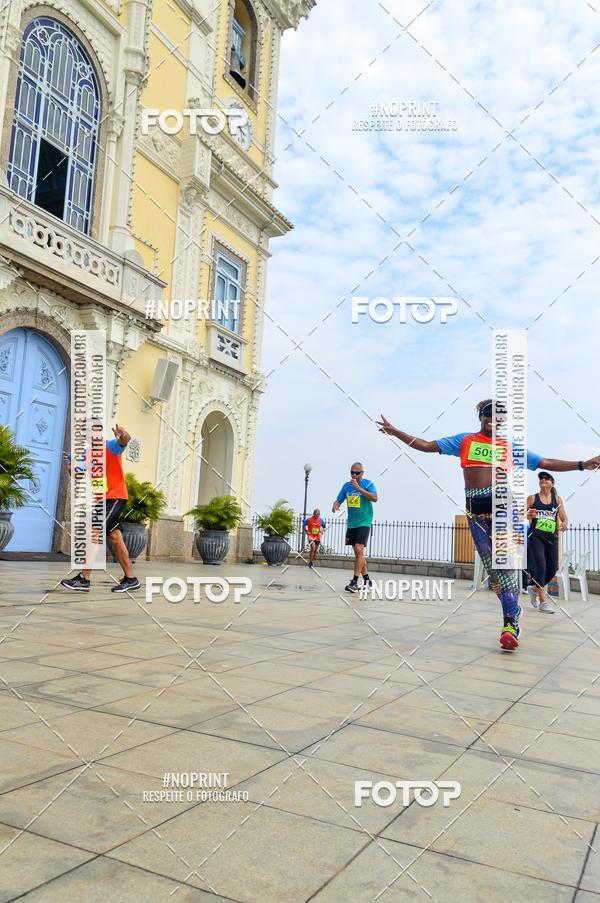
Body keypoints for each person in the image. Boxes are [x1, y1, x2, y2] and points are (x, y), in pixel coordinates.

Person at [377, 401, 600, 651]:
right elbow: (427, 446)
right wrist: (396, 432)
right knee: (494, 575)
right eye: (488, 416)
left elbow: (545, 462)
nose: (493, 421)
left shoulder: (509, 448)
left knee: (503, 568)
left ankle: (509, 626)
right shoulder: (465, 441)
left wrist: (582, 464)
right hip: (476, 515)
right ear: (481, 417)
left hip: (502, 509)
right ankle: (513, 609)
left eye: (499, 417)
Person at [61, 424, 141, 593]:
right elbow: (78, 475)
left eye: (95, 430)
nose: (92, 434)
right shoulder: (87, 454)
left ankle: (84, 578)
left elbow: (125, 440)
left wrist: (123, 434)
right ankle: (131, 578)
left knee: (93, 533)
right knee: (115, 538)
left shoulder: (110, 446)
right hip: (102, 500)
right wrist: (69, 467)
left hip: (115, 497)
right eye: (88, 431)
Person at [525, 471, 567, 614]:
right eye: (541, 478)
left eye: (546, 478)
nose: (543, 480)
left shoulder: (557, 499)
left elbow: (564, 517)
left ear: (552, 483)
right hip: (535, 536)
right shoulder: (532, 498)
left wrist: (564, 523)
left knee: (552, 569)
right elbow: (519, 513)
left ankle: (533, 587)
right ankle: (543, 602)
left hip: (551, 537)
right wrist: (527, 514)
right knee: (541, 567)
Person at [333, 463, 378, 592]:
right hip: (352, 523)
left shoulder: (368, 484)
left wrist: (359, 488)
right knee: (358, 553)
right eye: (352, 472)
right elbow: (339, 499)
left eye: (357, 473)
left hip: (364, 521)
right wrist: (335, 504)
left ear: (362, 473)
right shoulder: (346, 486)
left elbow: (375, 498)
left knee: (359, 549)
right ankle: (367, 580)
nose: (354, 475)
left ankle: (354, 582)